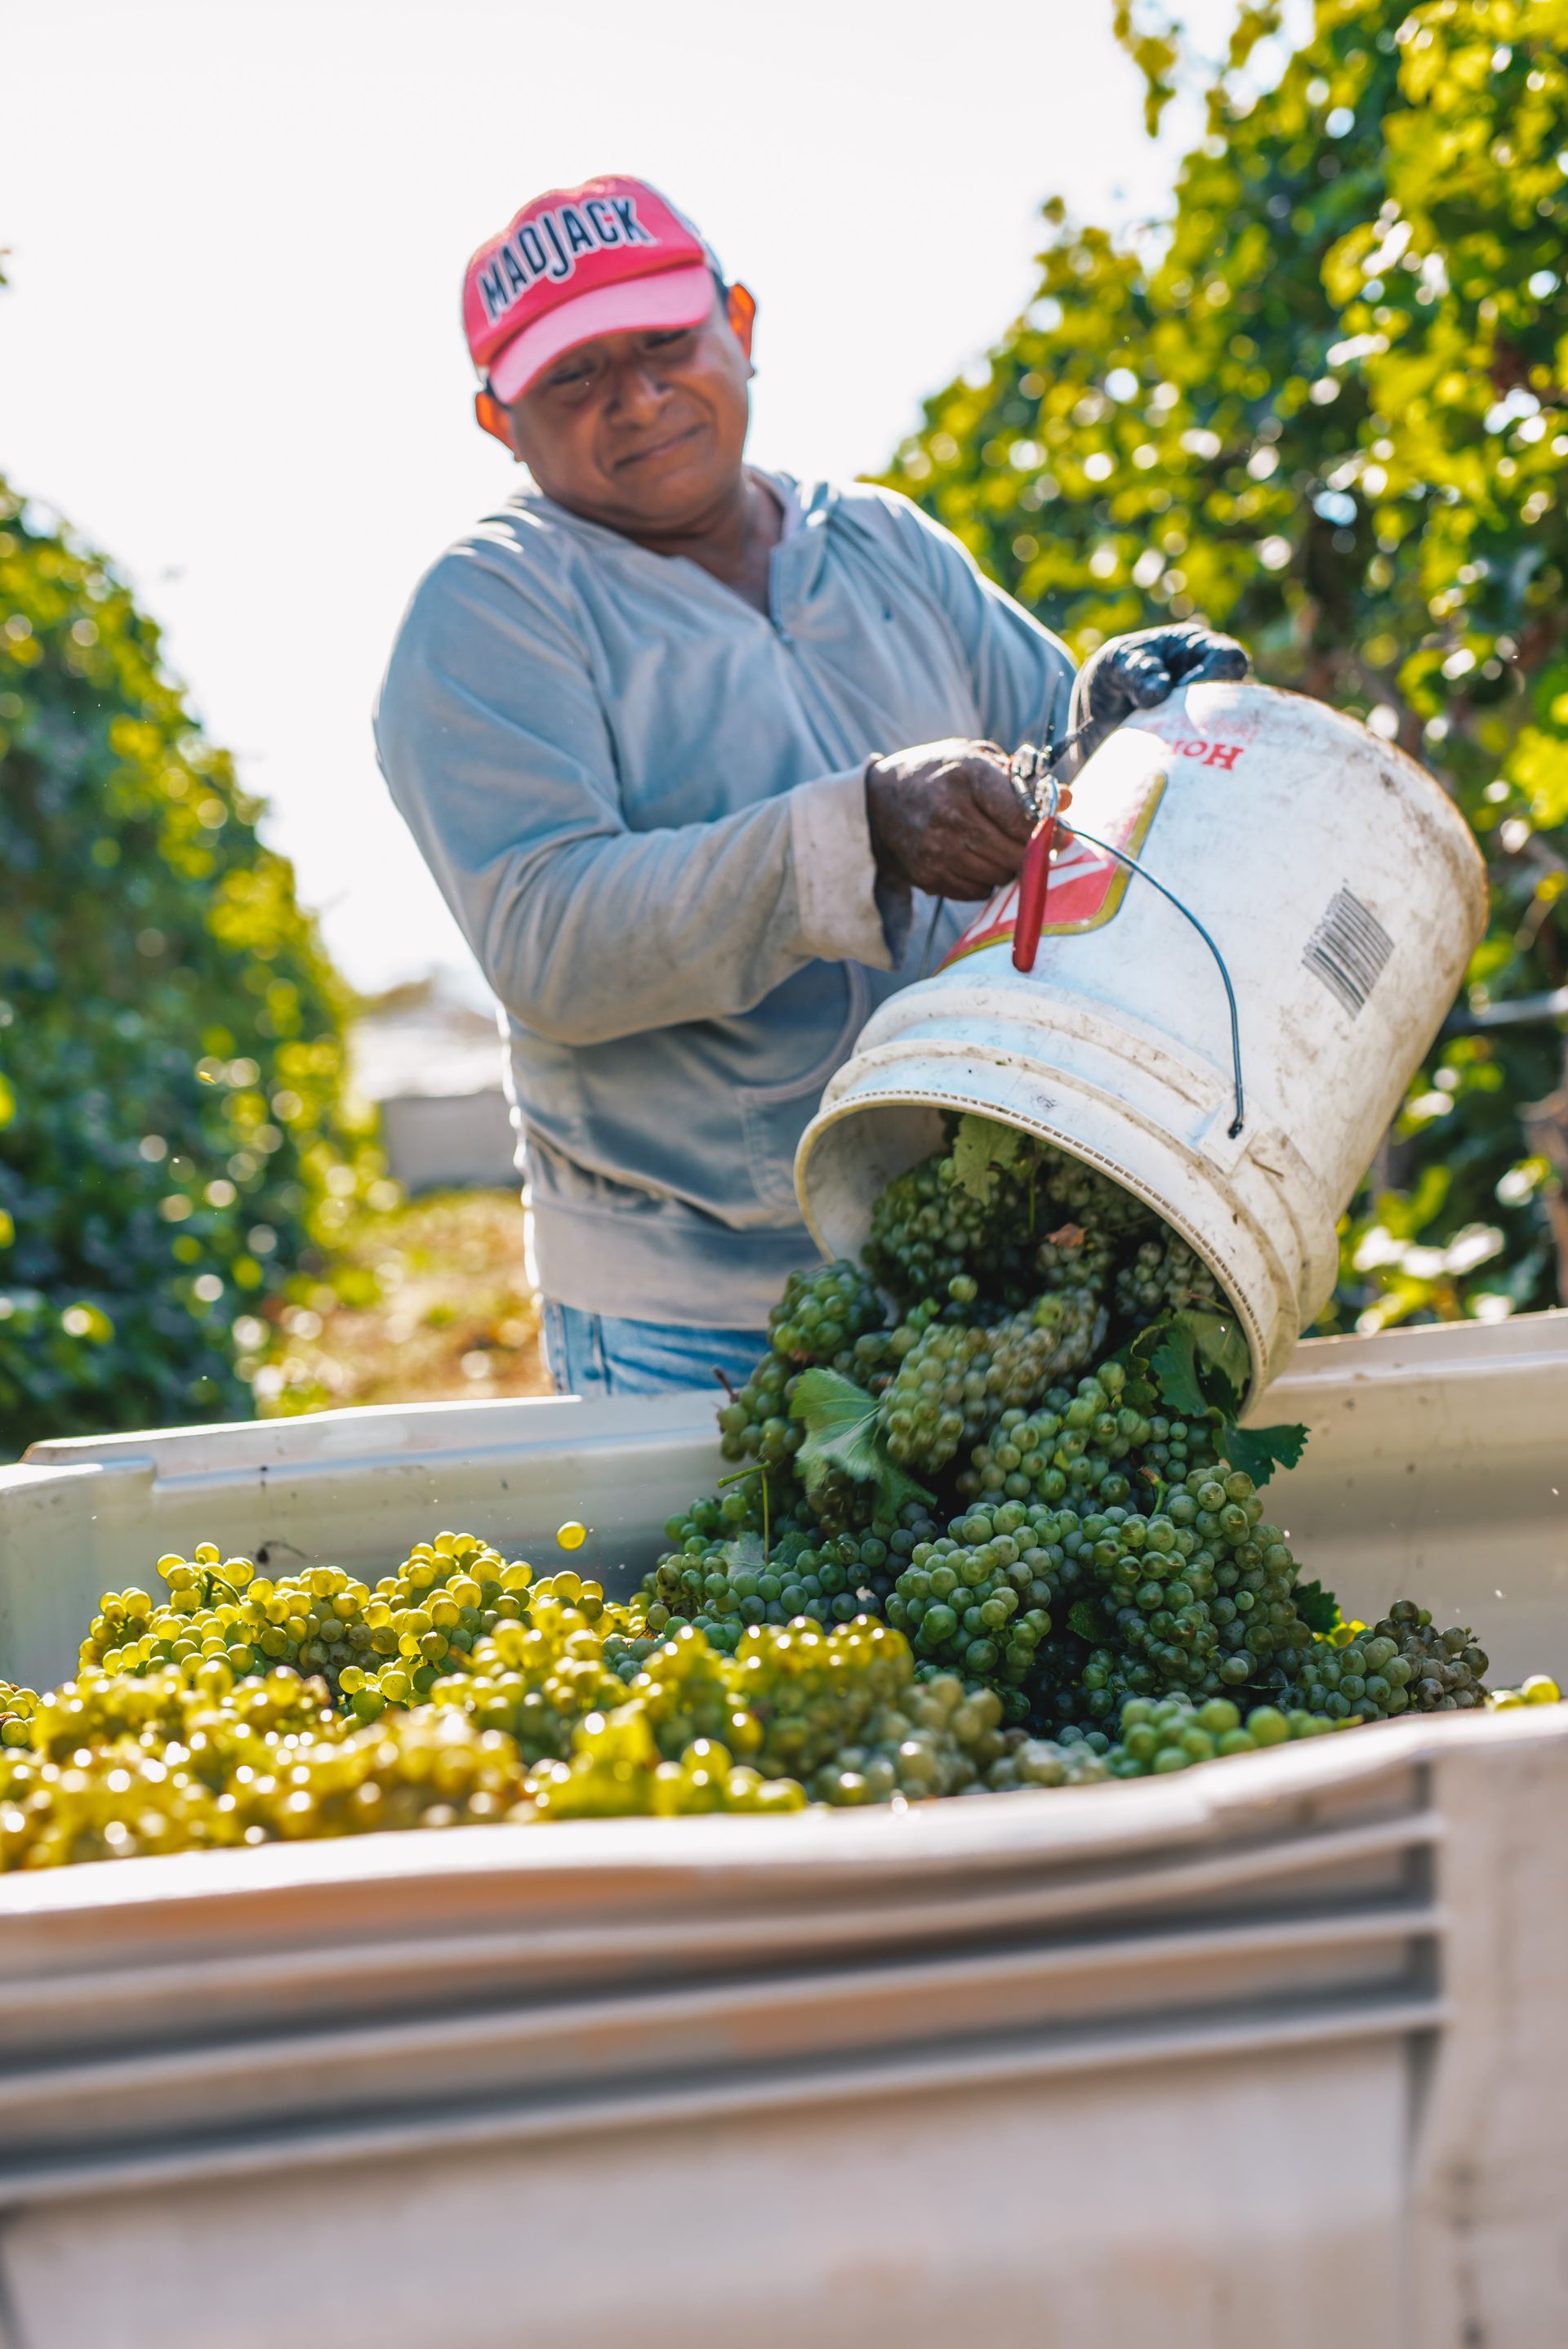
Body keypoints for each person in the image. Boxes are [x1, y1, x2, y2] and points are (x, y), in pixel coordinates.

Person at [373, 176, 1246, 1399]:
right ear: (497, 419)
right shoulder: (493, 612)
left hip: (979, 1262)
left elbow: (1067, 774)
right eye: (573, 377)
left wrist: (1129, 716)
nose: (635, 396)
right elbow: (546, 936)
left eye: (667, 341)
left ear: (739, 323)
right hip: (701, 1323)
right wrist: (862, 830)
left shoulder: (881, 545)